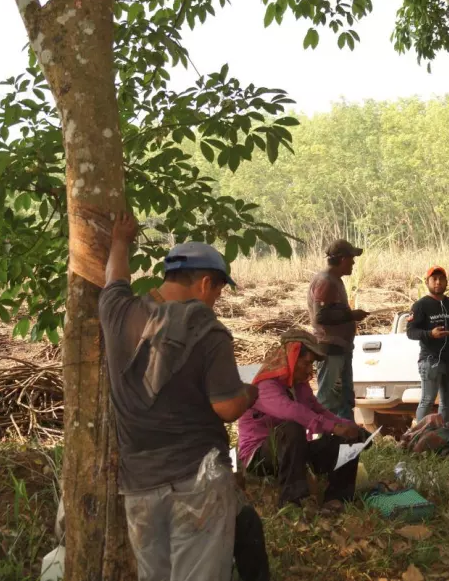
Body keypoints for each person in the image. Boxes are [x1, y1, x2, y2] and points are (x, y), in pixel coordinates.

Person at [99, 212, 259, 581]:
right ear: (205, 283)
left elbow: (115, 280)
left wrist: (121, 239)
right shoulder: (209, 330)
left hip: (139, 482)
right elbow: (227, 407)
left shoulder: (119, 313)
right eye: (218, 290)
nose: (217, 299)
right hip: (197, 480)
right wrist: (251, 391)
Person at [238, 328, 365, 510]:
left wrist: (349, 427)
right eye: (305, 363)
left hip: (295, 451)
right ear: (291, 358)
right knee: (292, 427)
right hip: (259, 456)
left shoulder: (300, 386)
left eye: (311, 365)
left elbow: (320, 411)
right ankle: (293, 501)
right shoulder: (266, 385)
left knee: (349, 439)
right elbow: (291, 411)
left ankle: (336, 498)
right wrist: (334, 427)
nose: (309, 370)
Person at [307, 239, 369, 420]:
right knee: (328, 399)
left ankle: (346, 442)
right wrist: (351, 315)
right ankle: (325, 441)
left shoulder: (333, 280)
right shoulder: (325, 282)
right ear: (342, 259)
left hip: (340, 349)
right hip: (330, 350)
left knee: (344, 399)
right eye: (351, 259)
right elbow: (321, 316)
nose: (353, 263)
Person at [406, 266, 449, 425]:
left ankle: (445, 436)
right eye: (434, 279)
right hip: (430, 361)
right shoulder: (420, 305)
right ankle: (418, 436)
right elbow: (411, 332)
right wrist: (431, 334)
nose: (438, 282)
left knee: (448, 404)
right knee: (427, 401)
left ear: (446, 282)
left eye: (441, 279)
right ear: (427, 282)